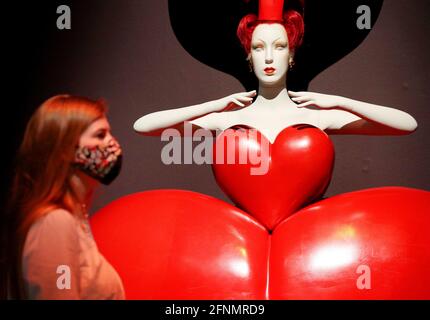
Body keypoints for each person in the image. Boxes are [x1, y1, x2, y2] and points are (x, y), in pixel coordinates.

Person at [133, 0, 417, 144]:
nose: (269, 56)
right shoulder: (229, 119)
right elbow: (143, 126)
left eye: (279, 46)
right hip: (244, 244)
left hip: (304, 241)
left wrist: (341, 102)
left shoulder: (315, 115)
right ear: (249, 56)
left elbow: (406, 124)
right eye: (259, 48)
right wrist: (215, 106)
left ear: (291, 54)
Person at [6, 95, 125, 299]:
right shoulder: (54, 224)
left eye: (109, 134)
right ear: (65, 149)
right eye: (100, 135)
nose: (112, 143)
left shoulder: (71, 219)